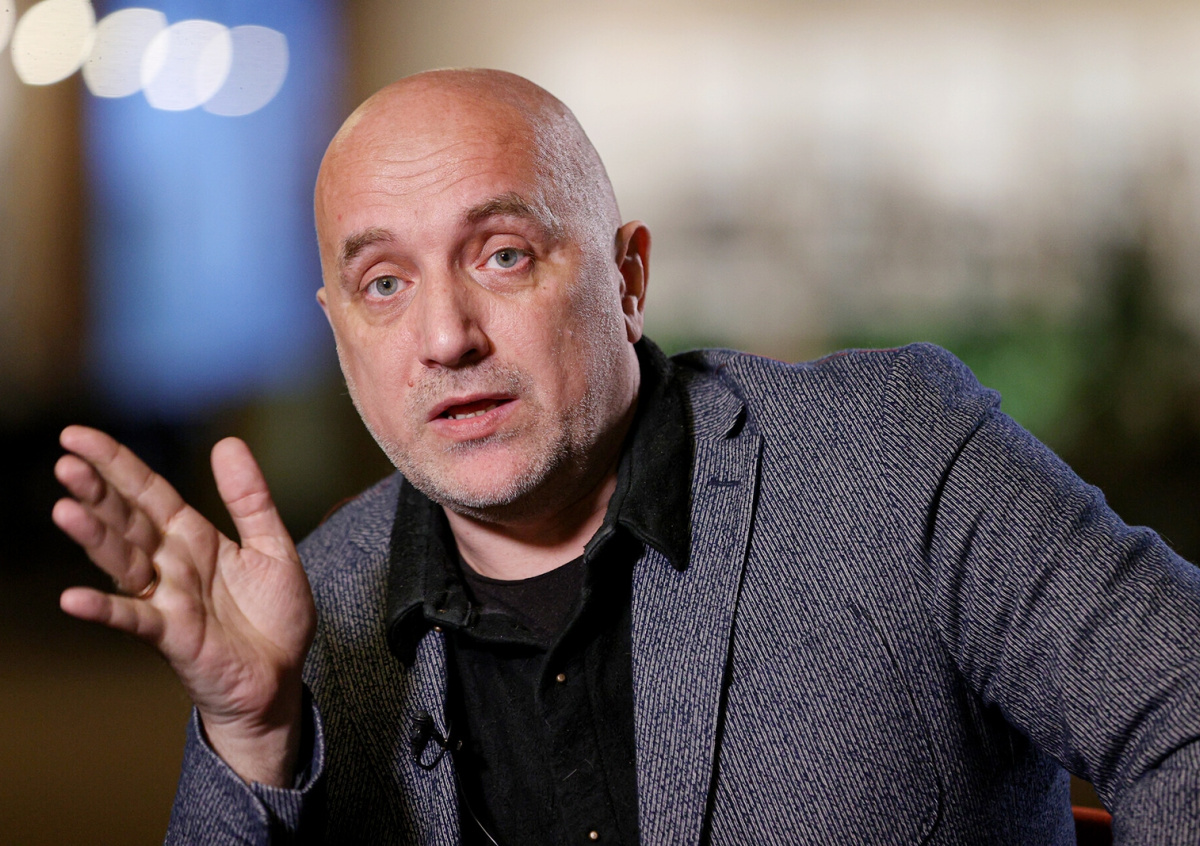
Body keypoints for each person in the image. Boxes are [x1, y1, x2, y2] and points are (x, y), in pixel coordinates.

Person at [52, 69, 1200, 845]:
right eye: (384, 284)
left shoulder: (893, 457)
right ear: (339, 329)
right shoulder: (310, 614)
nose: (445, 337)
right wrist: (251, 741)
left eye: (503, 255)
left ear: (628, 275)